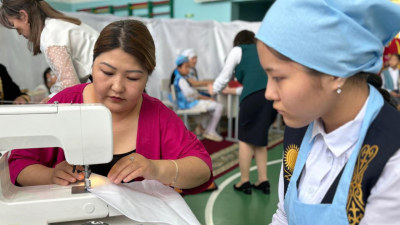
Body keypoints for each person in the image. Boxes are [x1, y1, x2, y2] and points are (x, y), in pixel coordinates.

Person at [8, 20, 213, 195]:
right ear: (92, 65)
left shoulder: (158, 116)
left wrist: (156, 168)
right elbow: (18, 163)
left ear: (146, 79)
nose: (117, 87)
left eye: (132, 78)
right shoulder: (64, 104)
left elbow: (202, 168)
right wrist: (51, 175)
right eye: (106, 72)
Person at [256, 0, 400, 224]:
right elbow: (284, 215)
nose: (268, 93)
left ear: (335, 73)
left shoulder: (393, 159)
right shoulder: (301, 127)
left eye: (278, 77)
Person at [208, 30, 277, 195]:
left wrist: (214, 89)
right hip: (270, 96)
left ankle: (244, 181)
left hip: (253, 99)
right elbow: (258, 80)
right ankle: (263, 180)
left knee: (245, 140)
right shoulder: (262, 50)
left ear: (238, 41)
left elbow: (225, 75)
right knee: (260, 140)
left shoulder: (239, 50)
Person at [0, 0, 99, 101]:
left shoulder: (51, 36)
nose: (18, 33)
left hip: (103, 79)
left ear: (24, 16)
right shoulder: (57, 25)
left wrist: (50, 101)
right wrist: (51, 97)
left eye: (13, 24)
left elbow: (70, 86)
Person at [171, 56, 224, 142]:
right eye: (186, 67)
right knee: (219, 106)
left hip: (189, 102)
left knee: (213, 106)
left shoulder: (183, 78)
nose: (188, 69)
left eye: (189, 67)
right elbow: (192, 96)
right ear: (179, 68)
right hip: (188, 104)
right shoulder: (181, 80)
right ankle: (210, 130)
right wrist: (207, 98)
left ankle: (203, 128)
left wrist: (206, 98)